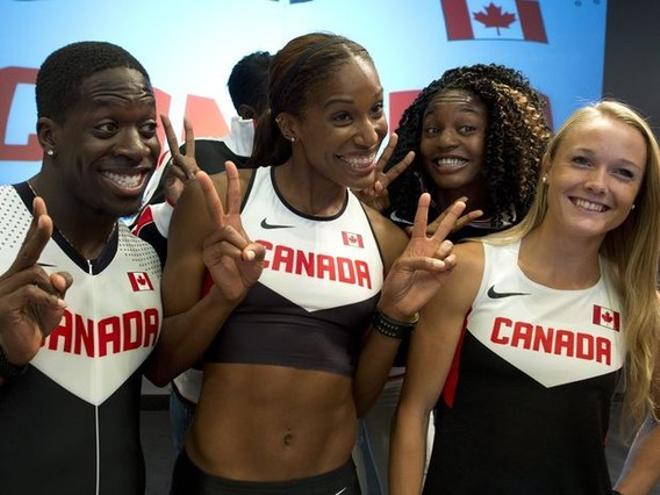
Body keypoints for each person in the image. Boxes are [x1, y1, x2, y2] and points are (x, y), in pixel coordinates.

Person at [147, 32, 466, 494]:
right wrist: (223, 299)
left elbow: (355, 400)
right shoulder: (215, 201)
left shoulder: (386, 239)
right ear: (291, 125)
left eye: (375, 109)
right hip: (214, 483)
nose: (368, 133)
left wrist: (394, 316)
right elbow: (162, 367)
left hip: (332, 483)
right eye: (342, 116)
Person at [390, 100, 660, 494]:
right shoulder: (468, 269)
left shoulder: (638, 301)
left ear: (637, 194)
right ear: (548, 166)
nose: (598, 184)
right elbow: (413, 412)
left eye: (623, 173)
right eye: (583, 161)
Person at [353, 64, 552, 494]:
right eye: (432, 129)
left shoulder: (530, 231)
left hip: (491, 403)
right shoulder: (392, 219)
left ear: (501, 138)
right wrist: (365, 216)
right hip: (390, 395)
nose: (445, 141)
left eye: (467, 128)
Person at [0, 41, 162, 495]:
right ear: (49, 135)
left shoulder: (144, 255)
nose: (135, 148)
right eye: (107, 127)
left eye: (147, 127)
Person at [132, 51, 272, 454]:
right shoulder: (198, 159)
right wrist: (176, 209)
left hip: (286, 376)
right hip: (200, 380)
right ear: (250, 111)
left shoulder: (303, 166)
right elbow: (141, 242)